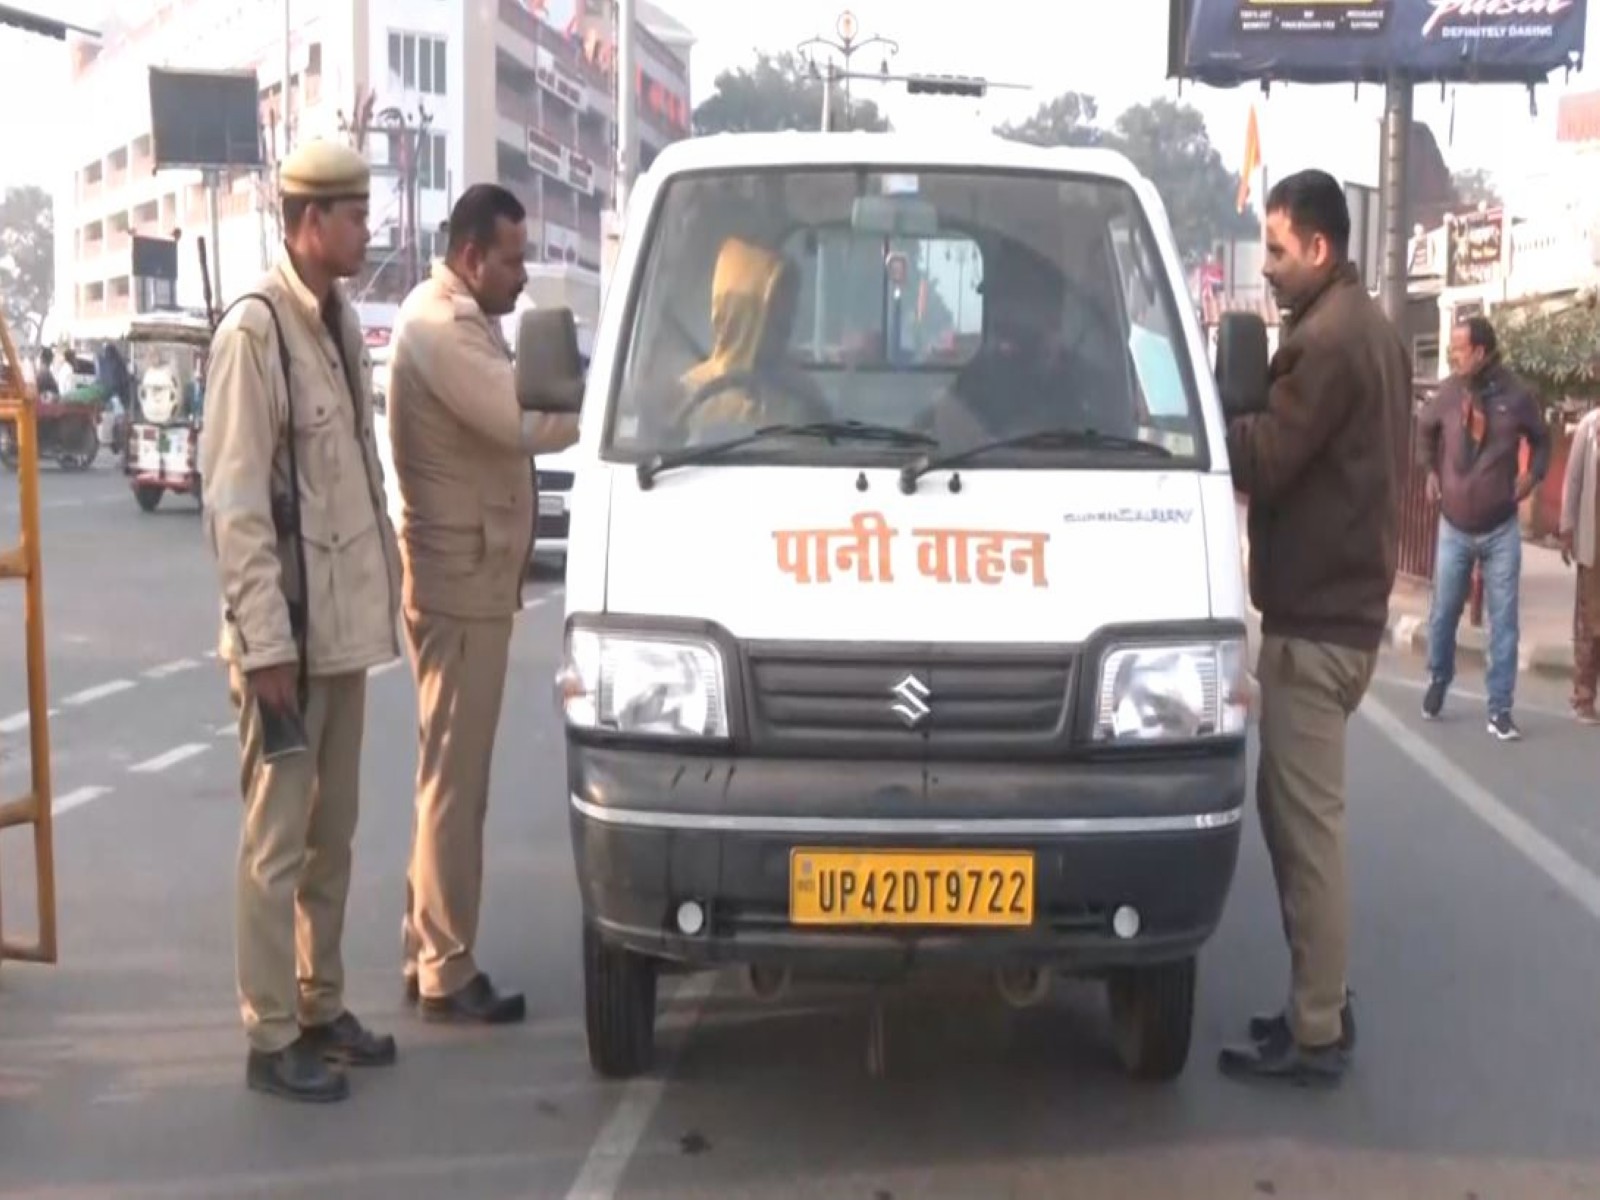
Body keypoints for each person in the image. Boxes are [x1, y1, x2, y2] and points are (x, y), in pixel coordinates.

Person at [198, 139, 403, 1102]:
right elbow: (236, 504)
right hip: (285, 642)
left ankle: (321, 1005)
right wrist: (265, 643)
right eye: (354, 214)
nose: (367, 228)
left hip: (343, 636)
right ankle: (270, 1033)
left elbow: (357, 475)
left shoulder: (337, 320)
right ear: (308, 222)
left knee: (335, 832)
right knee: (276, 842)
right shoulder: (256, 333)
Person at [1217, 169, 1411, 1087]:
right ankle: (1317, 1000)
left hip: (1321, 618)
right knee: (1292, 818)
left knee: (1306, 829)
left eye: (1279, 250)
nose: (1270, 268)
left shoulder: (1327, 342)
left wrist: (1218, 411)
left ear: (1320, 249)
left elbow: (1269, 456)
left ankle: (1319, 1026)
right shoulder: (1361, 326)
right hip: (1342, 607)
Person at [389, 184, 580, 1023]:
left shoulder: (460, 319)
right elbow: (519, 420)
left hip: (469, 574)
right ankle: (446, 965)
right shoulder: (444, 326)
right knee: (456, 783)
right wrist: (604, 408)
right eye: (510, 258)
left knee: (447, 775)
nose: (521, 273)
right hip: (460, 579)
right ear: (472, 257)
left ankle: (425, 942)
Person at [1417, 316, 1550, 739]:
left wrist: (1533, 477)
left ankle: (1500, 710)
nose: (1453, 355)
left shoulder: (1517, 395)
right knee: (1443, 615)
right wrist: (1430, 471)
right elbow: (1425, 428)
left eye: (1459, 348)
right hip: (1454, 527)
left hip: (1500, 528)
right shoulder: (1449, 392)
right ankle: (1439, 677)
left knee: (1504, 620)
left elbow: (1542, 439)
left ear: (1480, 350)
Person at [1560, 403, 1600, 724]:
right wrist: (1567, 529)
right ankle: (1583, 697)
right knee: (1590, 623)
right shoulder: (1590, 428)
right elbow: (1573, 481)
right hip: (1594, 545)